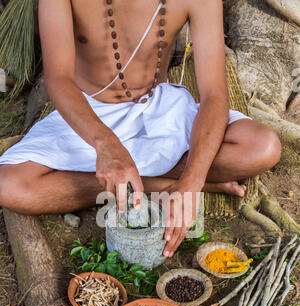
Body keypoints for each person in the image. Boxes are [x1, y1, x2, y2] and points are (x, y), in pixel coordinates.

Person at [0, 0, 281, 257]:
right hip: (87, 113)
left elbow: (214, 95)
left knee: (262, 147)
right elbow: (59, 79)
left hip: (159, 108)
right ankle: (158, 185)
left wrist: (192, 182)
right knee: (8, 185)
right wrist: (107, 147)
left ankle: (155, 184)